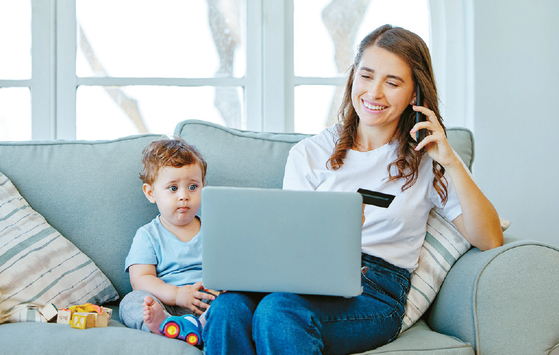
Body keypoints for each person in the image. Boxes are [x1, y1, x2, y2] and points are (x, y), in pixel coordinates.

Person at [202, 24, 504, 354]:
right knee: (227, 310)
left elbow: (489, 238)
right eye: (366, 76)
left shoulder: (428, 158)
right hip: (304, 277)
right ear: (353, 78)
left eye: (392, 82)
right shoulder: (310, 153)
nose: (374, 92)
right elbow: (290, 246)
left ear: (414, 94)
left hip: (376, 290)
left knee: (280, 312)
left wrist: (452, 163)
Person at [119, 137, 216, 335]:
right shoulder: (148, 235)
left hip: (205, 302)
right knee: (131, 302)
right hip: (166, 303)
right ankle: (164, 325)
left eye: (192, 187)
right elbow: (140, 279)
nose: (184, 196)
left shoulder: (215, 229)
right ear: (150, 193)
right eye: (173, 188)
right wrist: (177, 294)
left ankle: (201, 328)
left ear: (203, 187)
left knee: (233, 301)